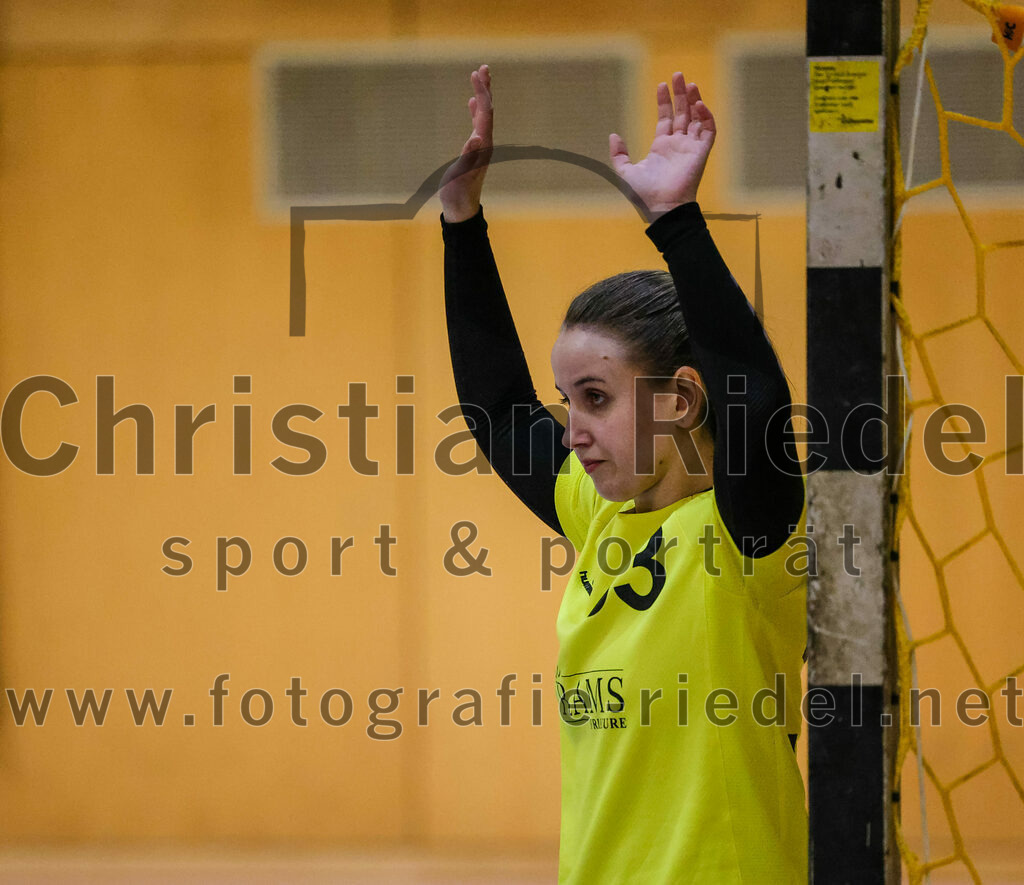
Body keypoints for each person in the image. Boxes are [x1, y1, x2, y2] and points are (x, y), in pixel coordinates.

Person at [439, 63, 808, 884]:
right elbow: (500, 411)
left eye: (596, 398)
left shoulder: (751, 540)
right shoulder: (602, 515)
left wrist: (676, 222)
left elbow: (753, 401)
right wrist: (462, 224)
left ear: (681, 399)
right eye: (568, 399)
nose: (572, 431)